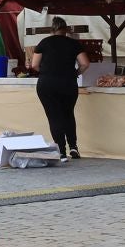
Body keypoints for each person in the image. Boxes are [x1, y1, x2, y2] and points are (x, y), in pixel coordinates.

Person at [28, 17, 90, 158]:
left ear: (52, 29)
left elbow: (34, 65)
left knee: (54, 116)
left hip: (47, 84)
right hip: (68, 83)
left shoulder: (44, 43)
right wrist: (75, 73)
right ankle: (73, 147)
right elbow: (85, 63)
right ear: (66, 29)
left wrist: (47, 71)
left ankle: (61, 151)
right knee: (68, 113)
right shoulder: (74, 44)